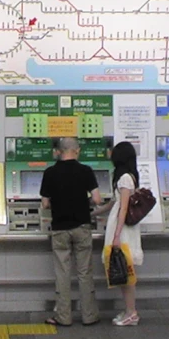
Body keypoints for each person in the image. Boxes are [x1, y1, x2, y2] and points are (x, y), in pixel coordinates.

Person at [41, 137, 102, 327]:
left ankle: (63, 316)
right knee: (84, 273)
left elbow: (45, 203)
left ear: (59, 151)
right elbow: (98, 199)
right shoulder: (85, 171)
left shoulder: (50, 172)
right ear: (77, 150)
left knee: (63, 273)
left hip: (60, 228)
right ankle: (89, 316)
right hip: (82, 226)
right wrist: (86, 202)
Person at [92, 141, 143, 326]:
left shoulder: (124, 179)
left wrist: (116, 236)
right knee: (124, 272)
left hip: (123, 232)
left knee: (127, 272)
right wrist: (94, 212)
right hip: (123, 229)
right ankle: (129, 310)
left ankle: (132, 312)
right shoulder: (127, 178)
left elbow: (123, 208)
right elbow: (114, 203)